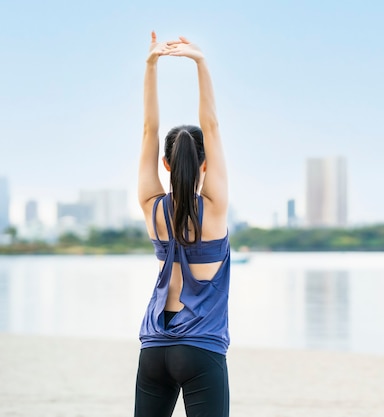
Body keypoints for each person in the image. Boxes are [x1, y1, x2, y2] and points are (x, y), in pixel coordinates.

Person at [134, 32, 230, 417]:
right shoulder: (215, 209)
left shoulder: (151, 207)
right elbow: (213, 125)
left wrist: (150, 64)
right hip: (201, 348)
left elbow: (148, 131)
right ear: (204, 163)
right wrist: (200, 62)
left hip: (154, 347)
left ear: (166, 164)